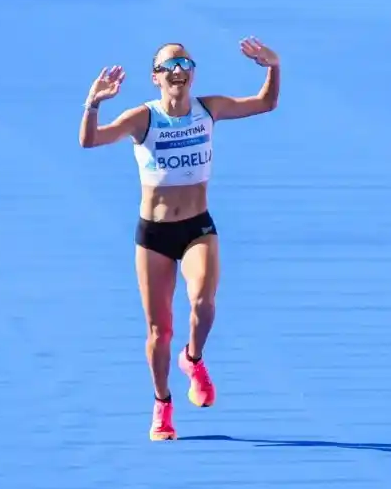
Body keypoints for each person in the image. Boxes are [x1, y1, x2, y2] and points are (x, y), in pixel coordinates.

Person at [78, 37, 280, 441]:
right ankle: (162, 403)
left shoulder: (209, 109)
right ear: (156, 77)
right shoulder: (143, 119)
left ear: (192, 74)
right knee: (159, 332)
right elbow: (90, 140)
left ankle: (194, 359)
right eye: (169, 66)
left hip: (196, 228)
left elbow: (265, 103)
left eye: (184, 64)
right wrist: (93, 104)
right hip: (154, 235)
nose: (178, 71)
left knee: (204, 303)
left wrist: (274, 68)